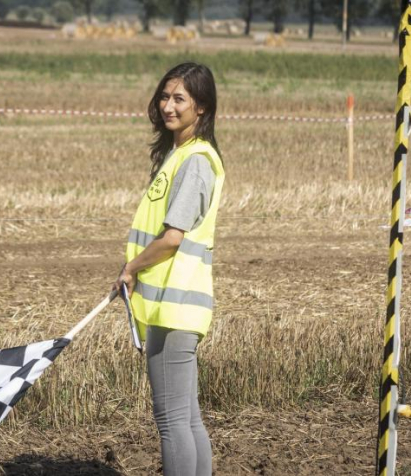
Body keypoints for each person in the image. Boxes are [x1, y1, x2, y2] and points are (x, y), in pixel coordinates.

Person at [113, 62, 225, 476]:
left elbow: (172, 237)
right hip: (169, 305)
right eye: (165, 96)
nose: (168, 106)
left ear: (202, 107)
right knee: (188, 418)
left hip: (173, 308)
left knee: (172, 421)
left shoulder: (196, 160)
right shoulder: (181, 155)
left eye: (179, 98)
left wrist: (131, 268)